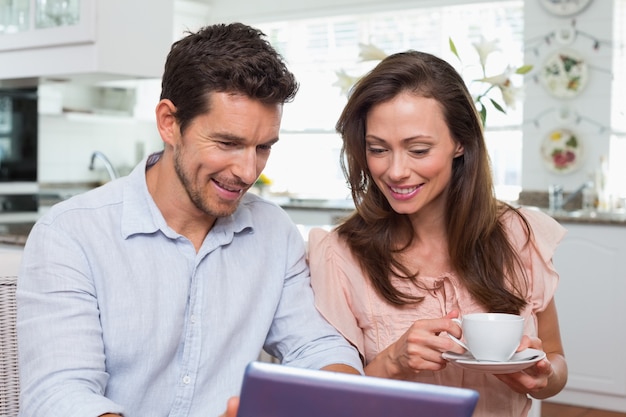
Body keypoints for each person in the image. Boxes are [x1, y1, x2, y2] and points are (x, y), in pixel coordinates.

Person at [16, 22, 363, 417]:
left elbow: (316, 347)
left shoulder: (273, 232)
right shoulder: (70, 234)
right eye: (228, 143)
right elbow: (60, 396)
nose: (249, 171)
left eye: (263, 147)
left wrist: (329, 394)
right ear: (169, 122)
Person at [307, 50, 568, 417]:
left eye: (418, 149)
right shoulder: (338, 255)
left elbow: (555, 360)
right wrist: (393, 362)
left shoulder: (518, 236)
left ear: (460, 143)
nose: (396, 171)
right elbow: (333, 405)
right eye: (378, 149)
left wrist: (542, 376)